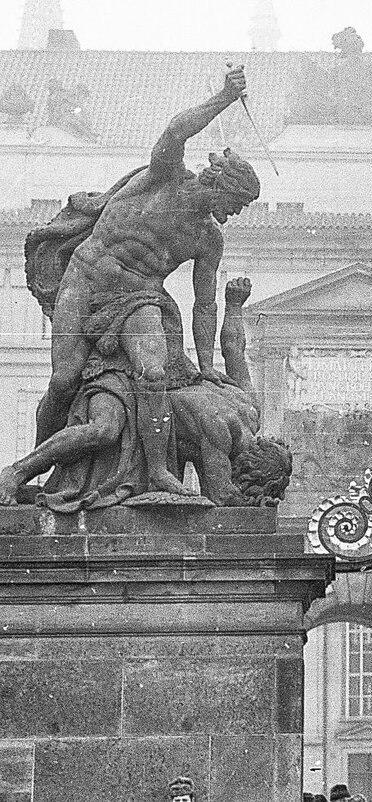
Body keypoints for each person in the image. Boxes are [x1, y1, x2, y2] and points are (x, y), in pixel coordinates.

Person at [25, 63, 260, 497]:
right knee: (63, 380)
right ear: (219, 184)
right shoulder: (165, 177)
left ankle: (159, 473)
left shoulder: (209, 238)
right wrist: (224, 98)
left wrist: (207, 367)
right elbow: (176, 131)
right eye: (237, 202)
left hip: (139, 297)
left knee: (153, 372)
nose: (237, 212)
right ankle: (39, 465)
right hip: (86, 278)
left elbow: (204, 305)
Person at [0, 279, 291, 509]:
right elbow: (222, 496)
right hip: (128, 380)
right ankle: (15, 474)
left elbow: (233, 349)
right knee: (103, 430)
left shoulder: (250, 406)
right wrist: (257, 504)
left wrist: (234, 306)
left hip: (157, 383)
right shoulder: (221, 434)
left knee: (103, 431)